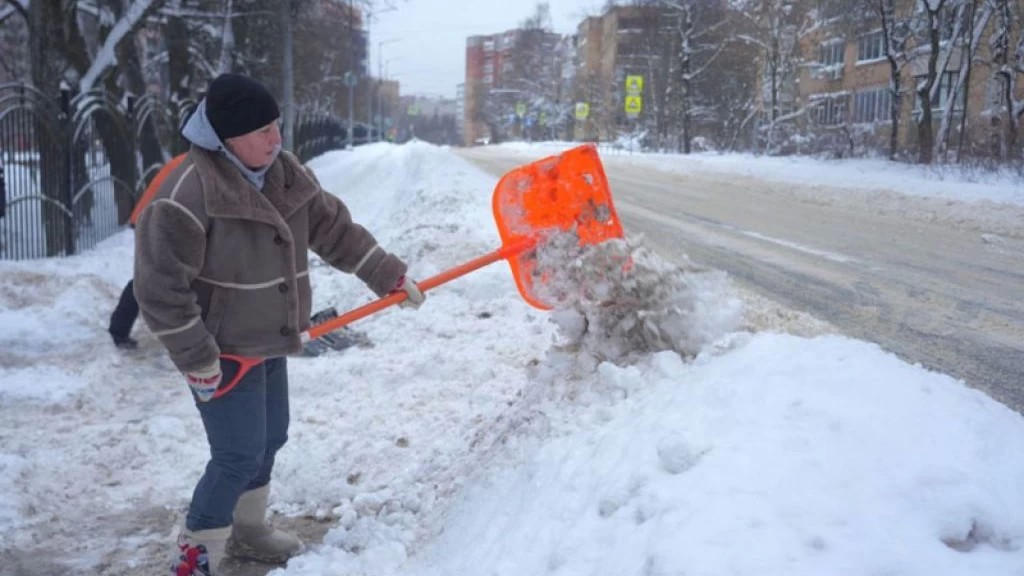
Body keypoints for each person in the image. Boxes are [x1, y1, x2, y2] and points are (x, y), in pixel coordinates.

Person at [133, 73, 425, 575]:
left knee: (271, 437)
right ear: (227, 138)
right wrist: (197, 356)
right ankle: (196, 549)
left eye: (277, 126)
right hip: (220, 350)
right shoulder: (188, 193)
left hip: (271, 337)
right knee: (237, 453)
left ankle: (247, 529)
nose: (276, 139)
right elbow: (159, 289)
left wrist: (386, 273)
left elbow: (334, 230)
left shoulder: (284, 172)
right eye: (262, 131)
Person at [108, 153, 188, 350]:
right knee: (148, 279)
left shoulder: (187, 160)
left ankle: (120, 329)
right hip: (156, 221)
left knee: (155, 277)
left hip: (155, 218)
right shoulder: (197, 164)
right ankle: (119, 330)